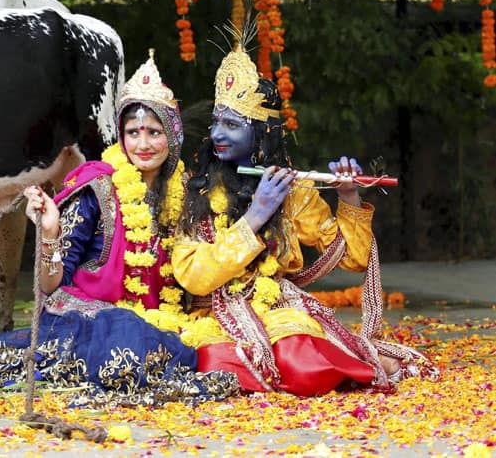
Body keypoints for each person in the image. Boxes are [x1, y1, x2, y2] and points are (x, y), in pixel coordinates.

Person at [0, 51, 239, 407]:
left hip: (161, 320)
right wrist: (49, 231)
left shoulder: (187, 194)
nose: (143, 144)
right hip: (87, 319)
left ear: (172, 135)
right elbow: (50, 285)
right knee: (127, 341)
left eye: (154, 132)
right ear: (121, 137)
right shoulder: (96, 188)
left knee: (176, 349)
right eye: (133, 132)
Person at [170, 41, 439, 396]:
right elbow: (193, 277)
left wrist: (348, 197)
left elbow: (354, 260)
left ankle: (336, 364)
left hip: (279, 310)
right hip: (214, 314)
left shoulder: (292, 190)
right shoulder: (195, 190)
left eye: (232, 124)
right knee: (216, 366)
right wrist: (256, 215)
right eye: (217, 121)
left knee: (303, 364)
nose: (218, 133)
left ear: (261, 134)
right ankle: (292, 370)